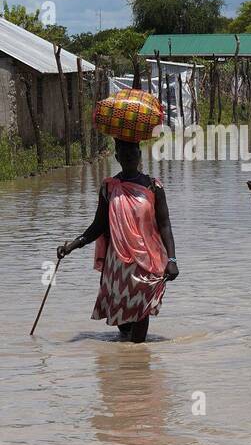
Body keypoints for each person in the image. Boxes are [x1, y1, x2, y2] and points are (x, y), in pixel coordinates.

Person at [57, 139, 179, 342]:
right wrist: (71, 246)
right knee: (123, 322)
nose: (129, 156)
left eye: (132, 151)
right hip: (118, 263)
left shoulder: (154, 187)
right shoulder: (109, 188)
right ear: (117, 157)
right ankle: (126, 360)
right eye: (123, 152)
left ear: (140, 155)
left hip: (146, 262)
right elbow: (98, 226)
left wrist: (172, 260)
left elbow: (165, 225)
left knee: (141, 310)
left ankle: (137, 362)